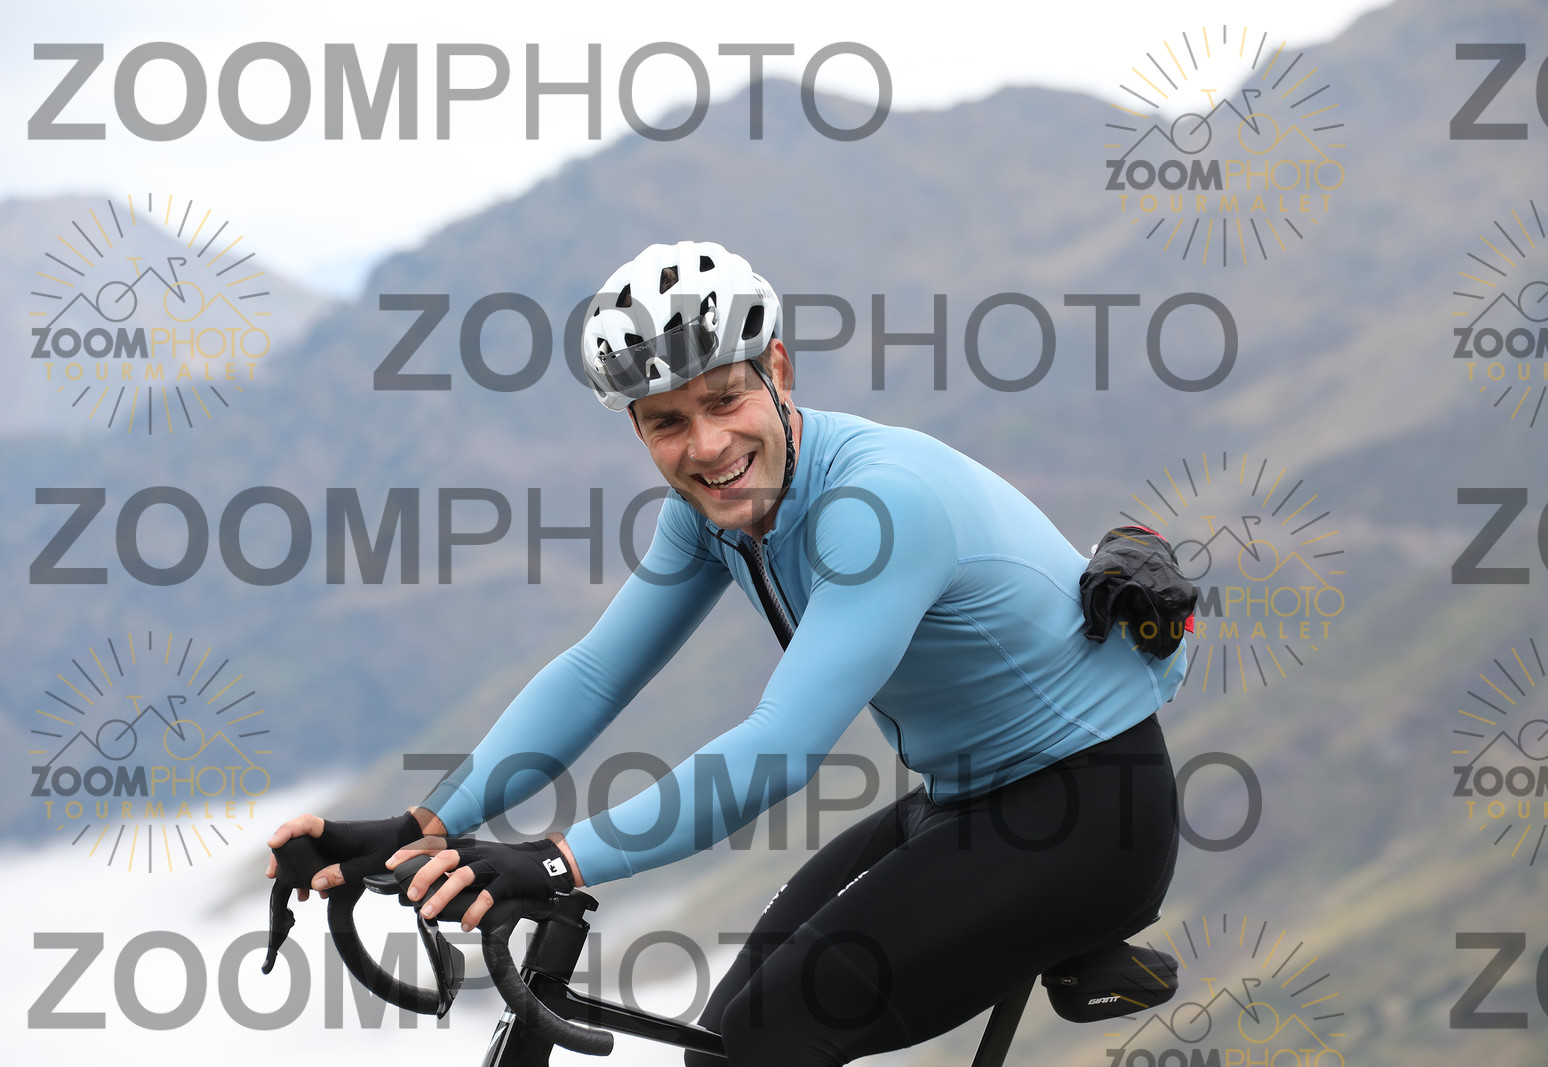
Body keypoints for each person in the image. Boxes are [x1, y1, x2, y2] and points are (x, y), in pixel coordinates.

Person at [267, 241, 1191, 1066]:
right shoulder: (709, 514)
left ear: (776, 368)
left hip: (1089, 815)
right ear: (637, 429)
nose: (709, 446)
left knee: (767, 1042)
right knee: (719, 1051)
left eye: (724, 399)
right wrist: (424, 822)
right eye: (667, 422)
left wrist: (554, 861)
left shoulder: (879, 505)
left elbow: (779, 747)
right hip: (966, 802)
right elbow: (596, 672)